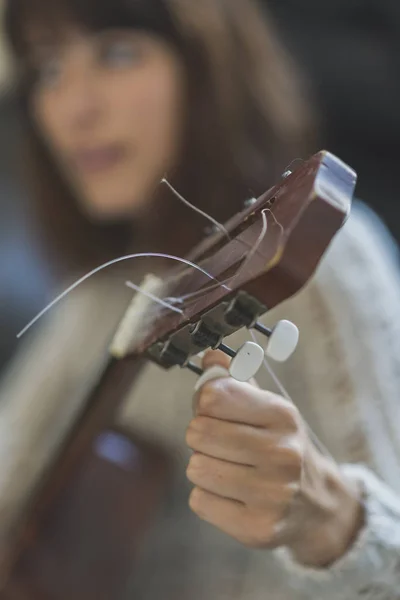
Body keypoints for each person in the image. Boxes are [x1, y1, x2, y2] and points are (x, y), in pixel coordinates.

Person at [1, 0, 400, 598]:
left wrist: (333, 519)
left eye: (116, 53)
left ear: (209, 67)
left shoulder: (326, 265)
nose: (74, 107)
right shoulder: (100, 294)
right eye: (48, 70)